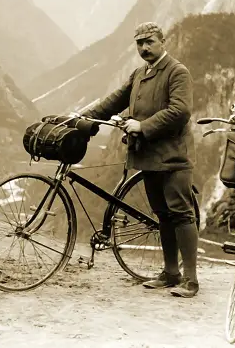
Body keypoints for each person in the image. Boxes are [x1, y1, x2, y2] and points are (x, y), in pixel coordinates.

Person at [82, 22, 199, 297]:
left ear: (163, 42)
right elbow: (113, 101)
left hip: (173, 157)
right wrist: (85, 116)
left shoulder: (177, 72)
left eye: (149, 42)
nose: (144, 48)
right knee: (162, 215)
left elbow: (180, 111)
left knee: (181, 214)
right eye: (139, 43)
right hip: (148, 156)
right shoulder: (139, 73)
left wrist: (143, 126)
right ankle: (171, 273)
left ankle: (191, 280)